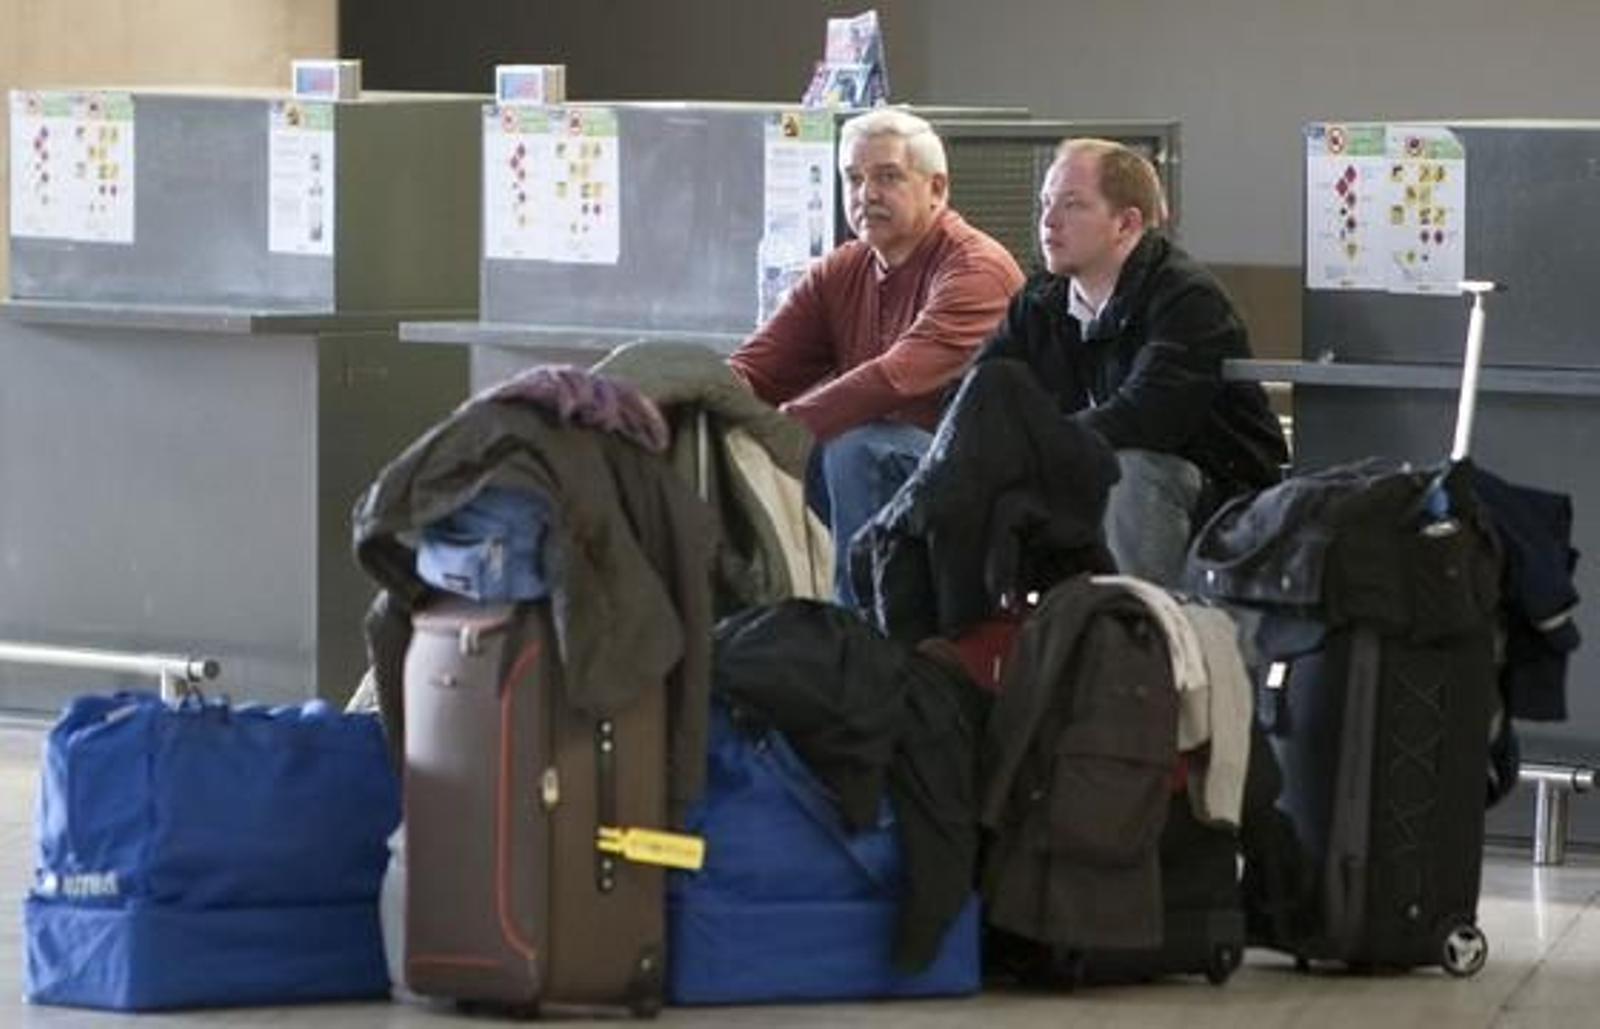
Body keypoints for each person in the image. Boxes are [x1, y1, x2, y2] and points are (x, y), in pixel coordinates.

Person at [728, 108, 1024, 606]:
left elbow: (893, 380)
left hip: (979, 484)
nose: (866, 194)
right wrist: (678, 406)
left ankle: (863, 636)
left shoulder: (977, 268)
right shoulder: (842, 269)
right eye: (853, 178)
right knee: (766, 441)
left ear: (937, 188)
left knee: (853, 446)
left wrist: (779, 429)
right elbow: (754, 370)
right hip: (887, 472)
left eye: (887, 176)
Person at [972, 138, 1288, 586]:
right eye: (1045, 203)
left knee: (1131, 469)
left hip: (1221, 495)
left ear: (1126, 223)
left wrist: (1037, 448)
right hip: (1081, 470)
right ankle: (997, 648)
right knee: (965, 466)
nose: (1048, 221)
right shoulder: (1039, 300)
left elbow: (1144, 418)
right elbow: (980, 393)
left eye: (1072, 205)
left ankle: (1147, 638)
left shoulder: (1186, 297)